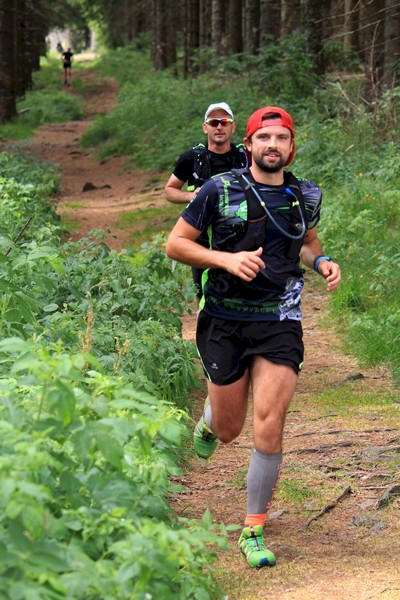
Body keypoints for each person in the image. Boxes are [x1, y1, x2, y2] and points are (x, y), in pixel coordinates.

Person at [166, 106, 341, 569]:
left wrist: (322, 262)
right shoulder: (219, 189)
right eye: (263, 137)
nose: (272, 145)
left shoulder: (303, 195)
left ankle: (253, 529)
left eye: (281, 138)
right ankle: (210, 420)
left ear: (291, 146)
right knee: (230, 429)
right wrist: (225, 260)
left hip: (279, 319)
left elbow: (306, 242)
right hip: (224, 319)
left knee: (270, 420)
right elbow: (175, 244)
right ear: (249, 145)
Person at [165, 102, 248, 302]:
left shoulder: (246, 157)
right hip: (202, 237)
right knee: (204, 292)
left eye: (224, 122)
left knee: (244, 291)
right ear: (205, 127)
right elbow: (169, 190)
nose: (219, 127)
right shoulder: (192, 158)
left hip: (242, 235)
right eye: (213, 122)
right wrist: (192, 196)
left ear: (233, 127)